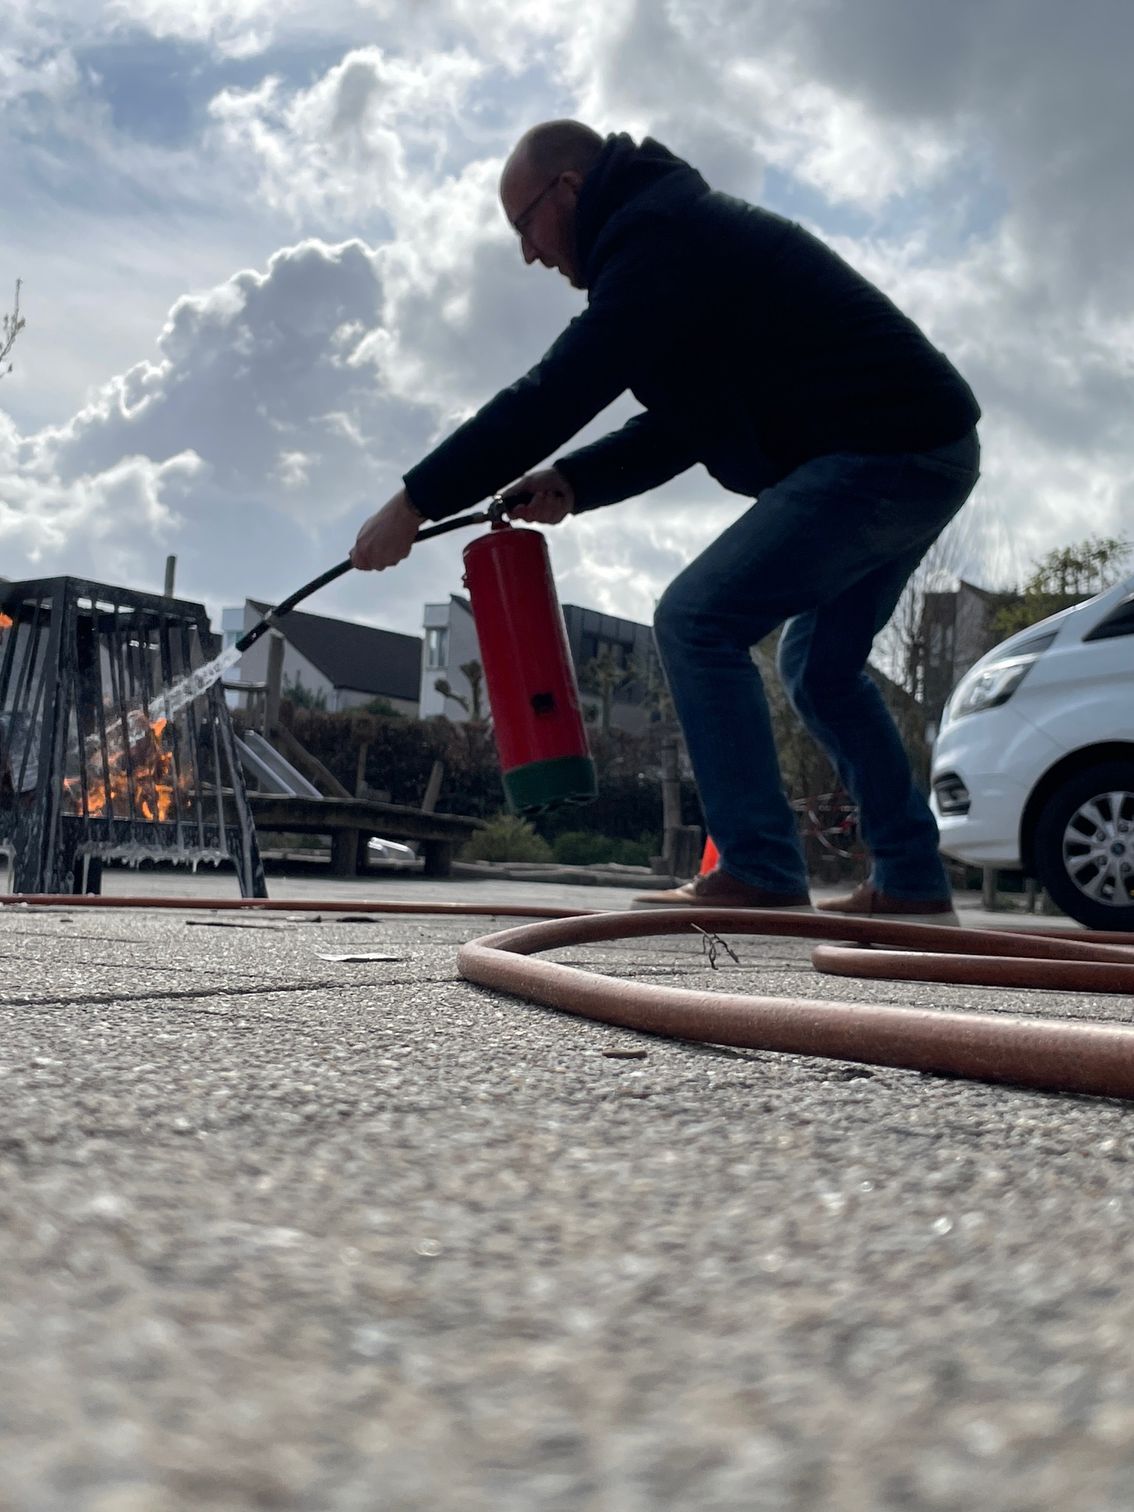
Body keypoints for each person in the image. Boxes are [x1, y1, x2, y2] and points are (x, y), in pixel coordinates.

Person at [351, 120, 981, 923]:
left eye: (525, 227)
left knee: (696, 619)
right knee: (818, 667)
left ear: (569, 188)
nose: (530, 255)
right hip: (927, 447)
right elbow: (686, 424)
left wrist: (415, 501)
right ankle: (911, 881)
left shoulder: (659, 238)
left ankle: (758, 868)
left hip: (886, 451)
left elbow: (558, 388)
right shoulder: (671, 241)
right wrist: (575, 480)